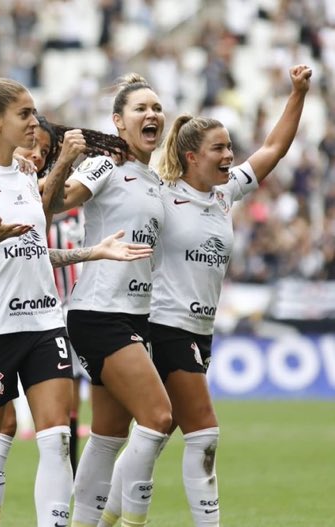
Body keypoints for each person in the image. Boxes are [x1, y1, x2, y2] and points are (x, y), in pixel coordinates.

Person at [0, 77, 150, 527]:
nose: (35, 122)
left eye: (34, 113)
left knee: (55, 437)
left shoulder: (27, 174)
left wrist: (92, 250)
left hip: (43, 323)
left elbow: (33, 247)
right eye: (25, 114)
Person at [143, 64, 311, 527]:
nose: (229, 156)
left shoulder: (224, 194)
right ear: (192, 155)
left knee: (153, 437)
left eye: (230, 148)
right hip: (166, 324)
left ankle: (105, 514)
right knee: (205, 433)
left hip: (200, 330)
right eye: (219, 148)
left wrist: (297, 93)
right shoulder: (160, 195)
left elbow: (274, 147)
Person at [48, 74, 174, 527]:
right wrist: (66, 160)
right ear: (119, 122)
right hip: (100, 312)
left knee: (107, 436)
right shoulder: (104, 165)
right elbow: (59, 201)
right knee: (159, 418)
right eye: (141, 108)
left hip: (135, 315)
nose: (152, 114)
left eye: (157, 107)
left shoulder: (153, 179)